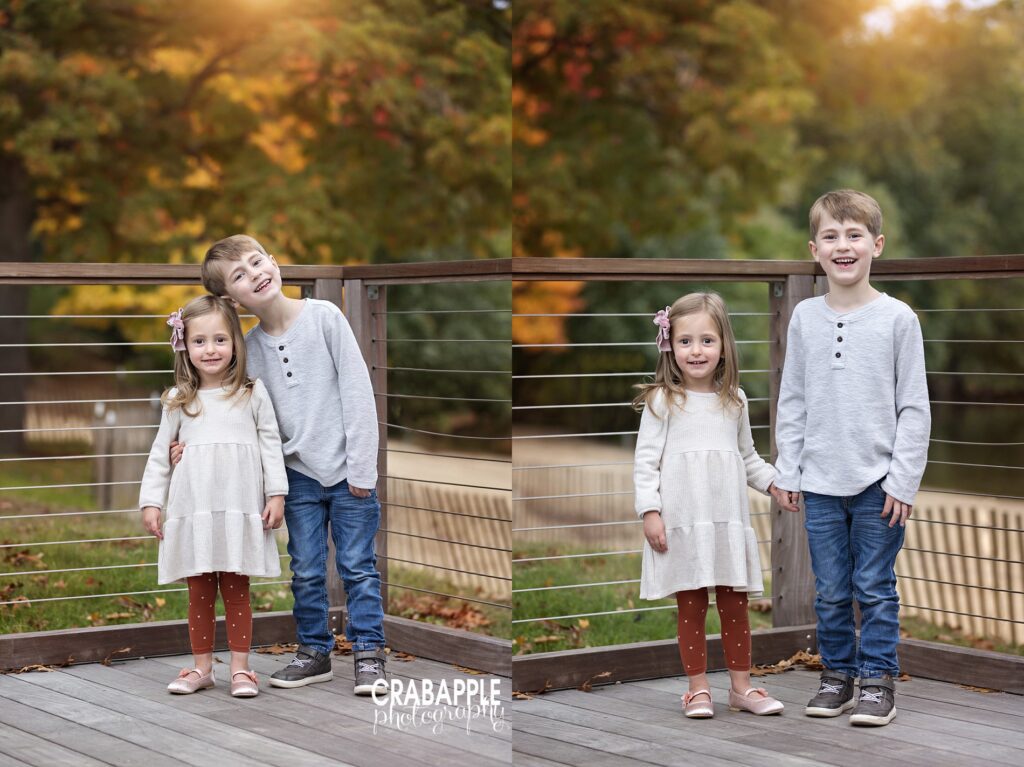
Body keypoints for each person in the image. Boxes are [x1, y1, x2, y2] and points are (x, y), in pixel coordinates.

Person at [176, 234, 386, 696]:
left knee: (358, 567)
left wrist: (362, 469)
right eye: (240, 275)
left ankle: (369, 654)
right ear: (233, 299)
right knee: (306, 570)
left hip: (349, 474)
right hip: (298, 478)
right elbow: (238, 415)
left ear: (273, 261)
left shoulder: (325, 317)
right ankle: (314, 652)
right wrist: (188, 444)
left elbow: (357, 393)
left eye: (257, 262)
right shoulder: (247, 349)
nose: (255, 274)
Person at [775, 189, 930, 727]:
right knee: (832, 590)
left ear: (876, 245)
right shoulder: (804, 317)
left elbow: (914, 407)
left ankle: (877, 681)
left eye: (854, 235)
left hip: (878, 485)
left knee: (875, 588)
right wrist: (788, 470)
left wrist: (902, 481)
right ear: (814, 249)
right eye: (831, 236)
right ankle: (837, 676)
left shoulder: (898, 319)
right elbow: (793, 399)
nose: (843, 246)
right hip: (819, 482)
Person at [634, 292, 791, 719]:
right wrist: (650, 512)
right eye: (685, 341)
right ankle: (697, 689)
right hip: (684, 525)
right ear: (670, 345)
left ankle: (741, 688)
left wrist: (776, 484)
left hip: (726, 525)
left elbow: (747, 458)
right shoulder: (662, 401)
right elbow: (645, 463)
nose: (696, 350)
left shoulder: (734, 400)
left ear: (724, 345)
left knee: (735, 607)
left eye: (707, 340)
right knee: (691, 607)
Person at [140, 295, 287, 698]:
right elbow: (160, 454)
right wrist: (151, 501)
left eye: (220, 339)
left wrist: (276, 494)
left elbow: (271, 444)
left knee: (237, 591)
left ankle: (241, 669)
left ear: (236, 343)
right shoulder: (178, 400)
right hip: (196, 510)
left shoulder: (251, 393)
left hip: (238, 509)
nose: (210, 349)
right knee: (199, 592)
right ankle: (202, 667)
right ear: (184, 345)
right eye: (199, 341)